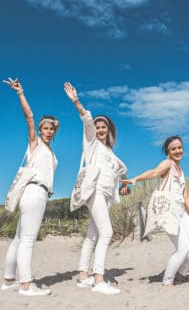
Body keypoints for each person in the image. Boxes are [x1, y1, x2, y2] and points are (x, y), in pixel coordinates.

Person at [64, 82, 127, 295]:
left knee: (92, 235)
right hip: (96, 192)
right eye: (98, 127)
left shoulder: (110, 152)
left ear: (109, 130)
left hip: (107, 196)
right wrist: (76, 102)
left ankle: (83, 276)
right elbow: (87, 121)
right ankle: (99, 280)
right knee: (107, 232)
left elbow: (122, 168)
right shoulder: (91, 143)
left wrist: (126, 182)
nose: (100, 130)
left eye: (103, 127)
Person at [120, 136, 189, 286]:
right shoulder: (167, 164)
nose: (177, 151)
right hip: (168, 211)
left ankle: (181, 272)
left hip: (181, 212)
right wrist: (136, 179)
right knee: (183, 247)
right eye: (173, 149)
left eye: (180, 147)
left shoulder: (181, 169)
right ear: (168, 152)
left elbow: (185, 196)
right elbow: (154, 172)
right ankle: (168, 281)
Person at [1, 78, 58, 296]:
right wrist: (20, 92)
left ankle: (8, 280)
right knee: (27, 240)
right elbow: (29, 118)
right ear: (41, 130)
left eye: (52, 129)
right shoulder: (36, 144)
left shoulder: (51, 152)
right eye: (45, 128)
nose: (49, 131)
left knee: (18, 238)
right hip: (34, 191)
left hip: (39, 193)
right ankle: (26, 285)